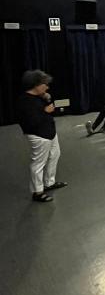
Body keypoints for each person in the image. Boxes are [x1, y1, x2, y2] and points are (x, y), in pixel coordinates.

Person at [15, 70, 67, 203]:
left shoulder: (39, 97)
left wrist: (47, 98)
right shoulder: (25, 102)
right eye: (44, 84)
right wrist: (45, 111)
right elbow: (31, 123)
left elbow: (48, 112)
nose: (47, 87)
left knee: (55, 155)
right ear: (36, 85)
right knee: (38, 163)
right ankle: (37, 192)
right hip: (39, 136)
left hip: (49, 132)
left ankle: (49, 182)